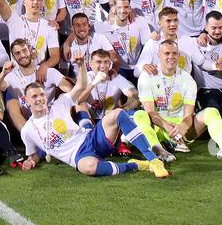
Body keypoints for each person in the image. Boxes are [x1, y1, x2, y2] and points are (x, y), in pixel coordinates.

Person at [17, 61, 170, 178]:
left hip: (90, 138)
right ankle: (134, 165)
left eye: (42, 95)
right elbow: (33, 155)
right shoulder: (27, 131)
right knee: (88, 168)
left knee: (118, 113)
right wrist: (30, 161)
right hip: (78, 156)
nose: (39, 99)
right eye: (34, 96)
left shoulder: (59, 104)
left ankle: (154, 161)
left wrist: (81, 65)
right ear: (26, 100)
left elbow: (80, 86)